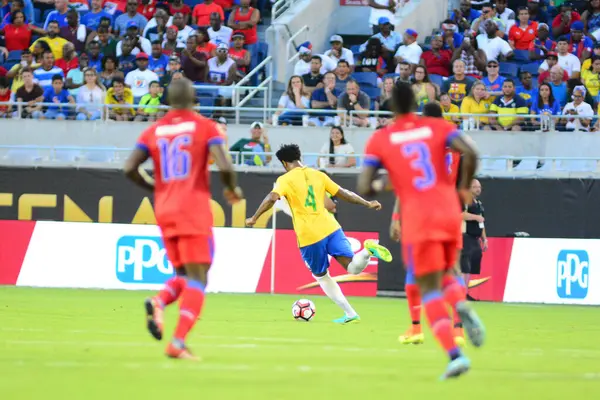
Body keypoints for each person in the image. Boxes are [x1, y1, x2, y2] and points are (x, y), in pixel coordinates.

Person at [357, 81, 484, 379]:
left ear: (391, 107)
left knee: (428, 286)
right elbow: (472, 151)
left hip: (418, 216)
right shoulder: (437, 128)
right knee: (447, 273)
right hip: (449, 210)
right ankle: (460, 306)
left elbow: (365, 186)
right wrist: (464, 189)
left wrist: (384, 183)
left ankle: (454, 355)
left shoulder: (382, 138)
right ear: (415, 104)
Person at [124, 77, 243, 360]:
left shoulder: (154, 130)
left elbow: (129, 168)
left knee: (183, 275)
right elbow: (224, 162)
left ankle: (159, 301)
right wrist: (231, 187)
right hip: (193, 207)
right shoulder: (204, 126)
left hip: (164, 210)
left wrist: (156, 187)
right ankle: (177, 342)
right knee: (199, 278)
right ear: (193, 99)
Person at [245, 143, 391, 324]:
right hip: (331, 227)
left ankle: (351, 313)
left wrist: (254, 217)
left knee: (321, 276)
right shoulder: (318, 175)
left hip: (310, 235)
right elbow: (344, 193)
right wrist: (367, 203)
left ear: (284, 162)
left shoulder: (285, 179)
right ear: (299, 158)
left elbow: (272, 198)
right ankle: (367, 251)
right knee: (353, 267)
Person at [391, 101, 467, 347]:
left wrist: (396, 218)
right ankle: (459, 329)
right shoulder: (456, 144)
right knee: (451, 268)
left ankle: (416, 328)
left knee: (416, 270)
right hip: (449, 211)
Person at [461, 179, 487, 292]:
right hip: (466, 236)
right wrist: (476, 217)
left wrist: (484, 239)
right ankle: (460, 292)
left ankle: (465, 291)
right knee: (464, 266)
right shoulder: (465, 201)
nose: (478, 189)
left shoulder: (479, 204)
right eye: (476, 187)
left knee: (472, 266)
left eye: (479, 187)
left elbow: (481, 223)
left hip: (475, 239)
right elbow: (461, 215)